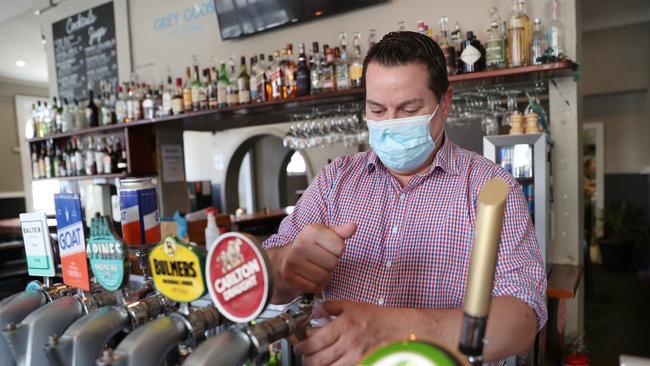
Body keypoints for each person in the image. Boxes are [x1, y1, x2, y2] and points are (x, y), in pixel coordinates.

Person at [263, 31, 546, 365]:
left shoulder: (491, 187)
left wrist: (394, 328)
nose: (391, 123)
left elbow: (521, 320)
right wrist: (285, 266)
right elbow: (268, 282)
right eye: (377, 110)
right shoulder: (334, 180)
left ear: (445, 102)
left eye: (409, 108)